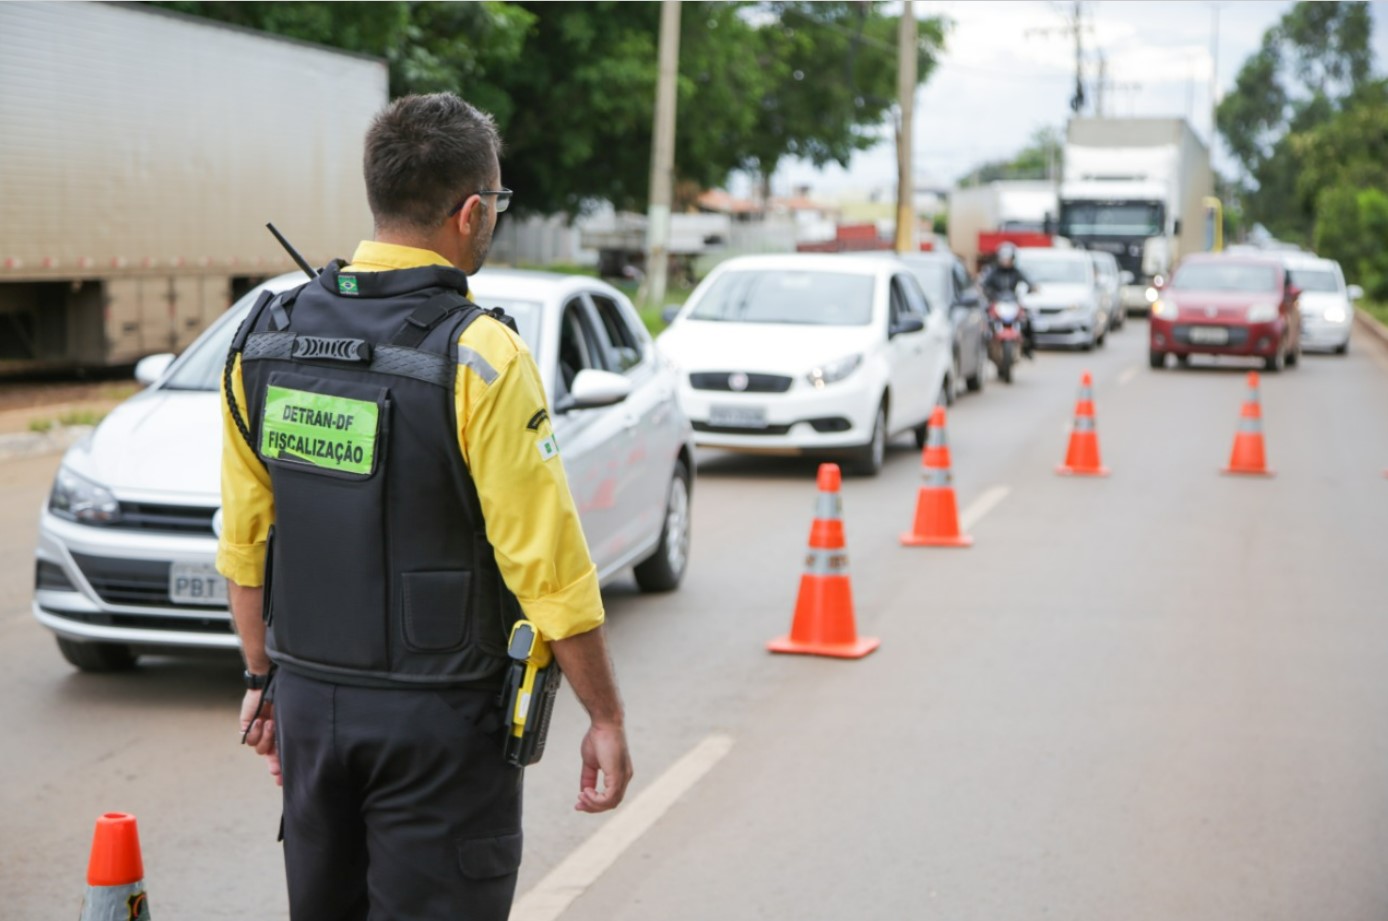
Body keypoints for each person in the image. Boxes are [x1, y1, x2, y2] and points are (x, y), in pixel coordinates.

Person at [216, 92, 632, 921]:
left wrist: (263, 680)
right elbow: (546, 562)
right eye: (499, 206)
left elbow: (245, 540)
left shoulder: (263, 338)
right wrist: (605, 715)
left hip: (309, 705)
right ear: (470, 211)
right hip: (439, 725)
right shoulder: (480, 355)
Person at [980, 242, 1037, 357]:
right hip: (997, 303)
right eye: (1003, 258)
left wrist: (1032, 288)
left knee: (1028, 320)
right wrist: (986, 292)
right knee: (984, 320)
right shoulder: (993, 272)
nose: (1006, 261)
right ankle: (984, 349)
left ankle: (1028, 349)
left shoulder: (1016, 272)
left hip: (1012, 303)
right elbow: (983, 284)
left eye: (1008, 258)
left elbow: (1028, 281)